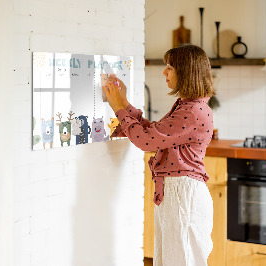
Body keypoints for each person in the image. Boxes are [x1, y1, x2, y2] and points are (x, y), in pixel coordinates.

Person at [103, 44, 215, 266]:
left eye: (170, 67)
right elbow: (154, 133)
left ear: (186, 72)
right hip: (178, 193)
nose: (164, 72)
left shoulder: (192, 111)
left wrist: (118, 108)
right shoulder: (188, 106)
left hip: (183, 195)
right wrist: (124, 103)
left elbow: (146, 141)